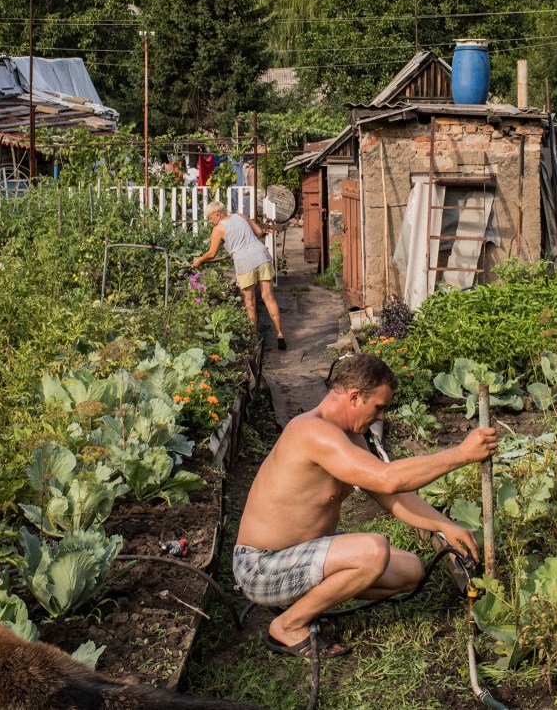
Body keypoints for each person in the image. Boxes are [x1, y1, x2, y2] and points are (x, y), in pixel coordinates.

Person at [232, 354, 499, 657]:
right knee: (373, 552)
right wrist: (461, 454)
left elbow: (390, 496)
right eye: (379, 407)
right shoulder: (311, 432)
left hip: (301, 553)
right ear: (355, 396)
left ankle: (303, 601)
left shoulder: (350, 437)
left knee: (410, 571)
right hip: (262, 566)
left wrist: (444, 525)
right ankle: (288, 626)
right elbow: (388, 479)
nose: (382, 417)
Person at [189, 201, 287, 350]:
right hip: (261, 255)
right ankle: (280, 334)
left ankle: (253, 341)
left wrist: (199, 260)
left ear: (218, 214)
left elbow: (211, 253)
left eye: (210, 218)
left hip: (245, 263)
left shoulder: (218, 229)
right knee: (268, 297)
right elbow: (259, 233)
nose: (210, 221)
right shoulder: (240, 216)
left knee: (250, 302)